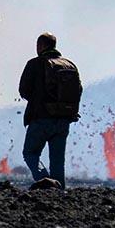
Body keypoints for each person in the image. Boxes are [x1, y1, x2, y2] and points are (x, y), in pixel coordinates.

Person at [19, 32, 82, 188]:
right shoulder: (69, 65)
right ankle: (59, 192)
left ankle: (45, 181)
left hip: (40, 118)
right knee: (57, 162)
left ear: (40, 46)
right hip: (64, 119)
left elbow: (24, 91)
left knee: (30, 153)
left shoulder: (35, 64)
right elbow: (79, 90)